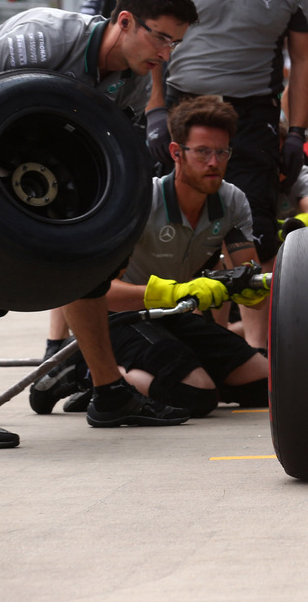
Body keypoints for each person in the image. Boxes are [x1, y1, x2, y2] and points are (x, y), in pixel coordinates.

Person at [0, 0, 201, 444]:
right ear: (125, 21)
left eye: (176, 44)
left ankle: (110, 393)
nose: (166, 54)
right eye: (162, 37)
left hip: (35, 167)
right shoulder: (40, 40)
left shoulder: (129, 80)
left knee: (91, 269)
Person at [151, 0, 308, 269]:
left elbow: (305, 58)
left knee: (253, 231)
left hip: (251, 111)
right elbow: (150, 35)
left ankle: (250, 332)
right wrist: (155, 110)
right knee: (165, 223)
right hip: (182, 102)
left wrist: (297, 132)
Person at [101, 97, 270, 418]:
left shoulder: (232, 201)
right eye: (203, 151)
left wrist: (252, 290)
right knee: (196, 395)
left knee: (266, 384)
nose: (214, 162)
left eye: (222, 152)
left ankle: (180, 369)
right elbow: (101, 292)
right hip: (119, 318)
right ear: (176, 153)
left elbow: (251, 285)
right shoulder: (142, 200)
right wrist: (176, 292)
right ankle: (92, 375)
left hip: (173, 315)